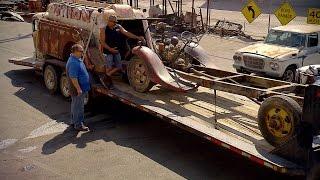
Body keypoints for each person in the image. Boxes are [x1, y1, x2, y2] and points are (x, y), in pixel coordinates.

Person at [66, 44, 90, 131]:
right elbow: (73, 77)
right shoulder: (73, 62)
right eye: (81, 51)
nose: (82, 53)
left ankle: (74, 121)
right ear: (75, 51)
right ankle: (78, 125)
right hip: (77, 89)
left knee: (75, 106)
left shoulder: (76, 59)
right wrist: (78, 88)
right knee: (79, 107)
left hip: (79, 88)